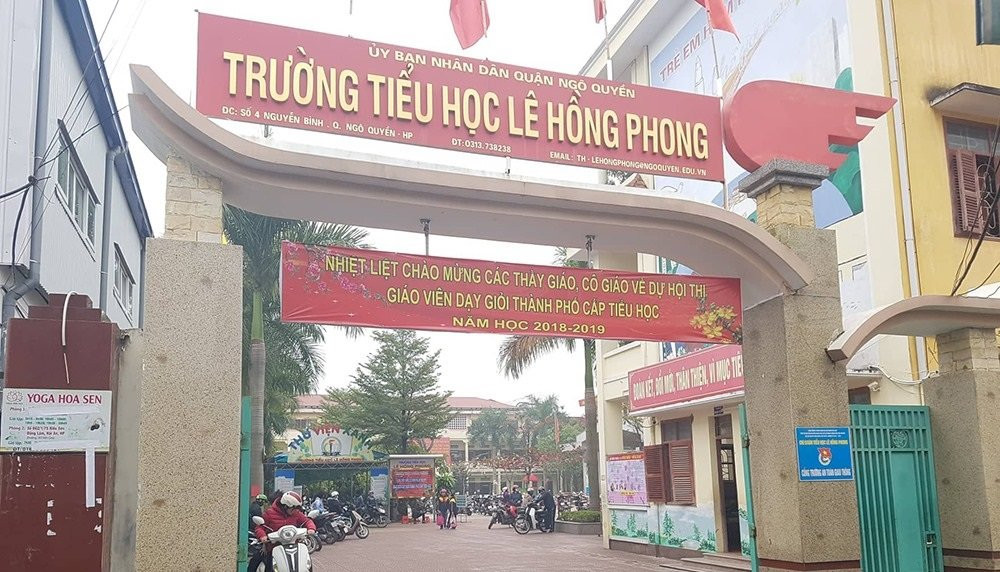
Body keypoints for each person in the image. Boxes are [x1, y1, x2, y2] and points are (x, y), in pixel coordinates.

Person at [253, 491, 316, 572]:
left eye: (297, 508)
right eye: (293, 508)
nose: (295, 510)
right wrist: (262, 536)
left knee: (307, 564)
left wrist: (311, 528)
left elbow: (307, 521)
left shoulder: (296, 514)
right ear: (286, 506)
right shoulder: (269, 513)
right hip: (273, 547)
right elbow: (260, 527)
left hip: (294, 545)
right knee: (255, 563)